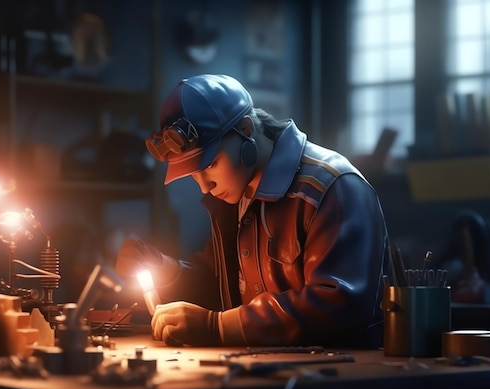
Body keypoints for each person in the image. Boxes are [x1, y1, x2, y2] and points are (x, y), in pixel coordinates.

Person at [115, 74, 390, 348]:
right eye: (194, 174)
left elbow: (339, 304)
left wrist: (219, 327)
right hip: (268, 374)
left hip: (345, 380)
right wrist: (164, 268)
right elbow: (221, 287)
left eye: (210, 165)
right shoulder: (235, 195)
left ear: (246, 130)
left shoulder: (333, 188)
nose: (204, 187)